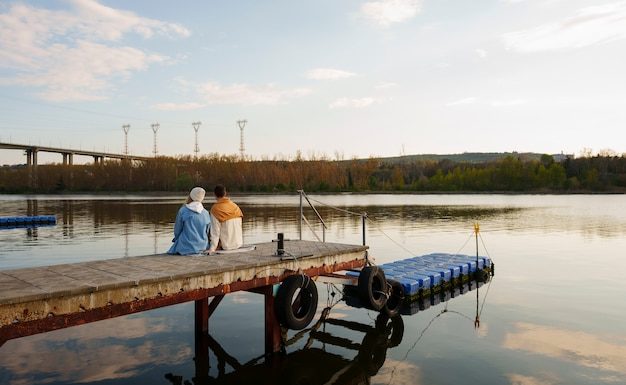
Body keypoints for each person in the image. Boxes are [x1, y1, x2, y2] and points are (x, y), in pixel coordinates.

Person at [167, 187, 211, 255]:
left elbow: (177, 231)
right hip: (203, 246)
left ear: (191, 196)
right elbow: (207, 231)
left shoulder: (183, 211)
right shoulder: (205, 213)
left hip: (186, 246)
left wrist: (176, 240)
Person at [208, 184, 243, 252]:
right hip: (239, 243)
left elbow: (215, 231)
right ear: (225, 193)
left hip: (227, 245)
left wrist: (212, 249)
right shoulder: (235, 206)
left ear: (214, 194)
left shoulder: (215, 209)